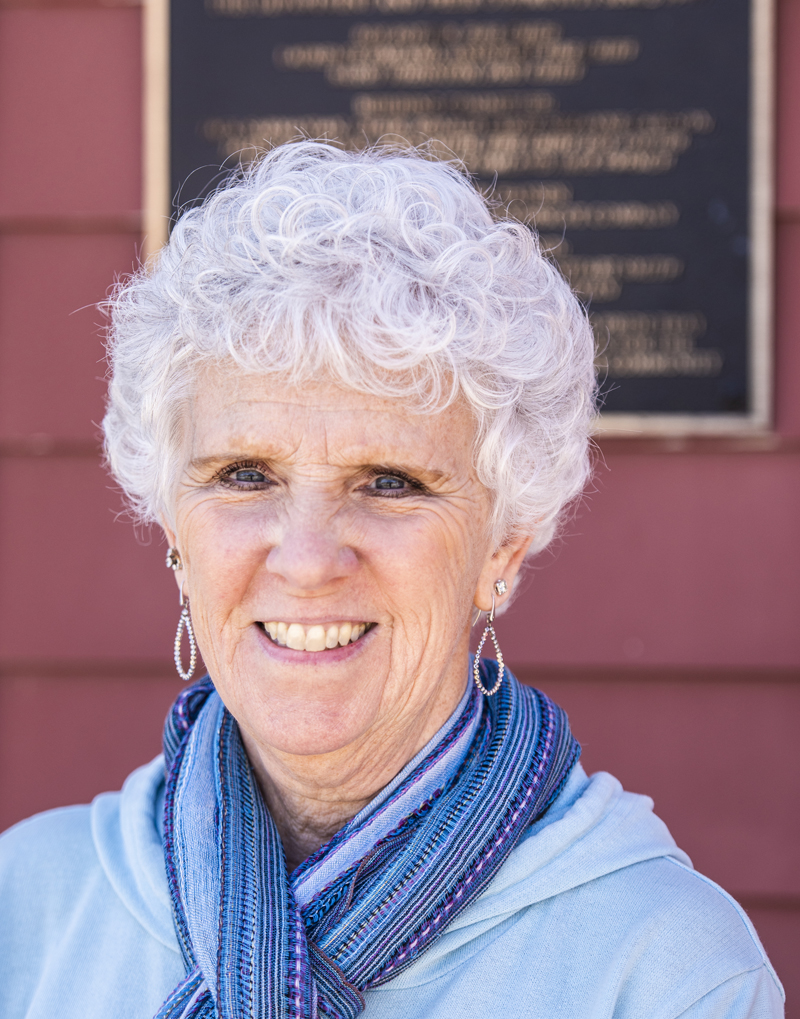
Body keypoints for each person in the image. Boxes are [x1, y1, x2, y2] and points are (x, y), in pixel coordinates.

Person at [0, 141, 783, 1019]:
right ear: (174, 527)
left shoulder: (663, 968)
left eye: (390, 483)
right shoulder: (28, 907)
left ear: (504, 548)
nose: (305, 558)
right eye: (245, 474)